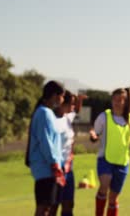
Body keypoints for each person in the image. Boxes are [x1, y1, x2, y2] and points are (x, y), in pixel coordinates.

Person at [89, 88, 130, 216]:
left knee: (113, 198)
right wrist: (93, 135)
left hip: (122, 162)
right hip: (105, 159)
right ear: (112, 100)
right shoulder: (104, 116)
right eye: (115, 99)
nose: (117, 102)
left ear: (126, 101)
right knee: (104, 185)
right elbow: (94, 132)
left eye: (121, 99)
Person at [25, 80, 66, 216]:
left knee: (48, 207)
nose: (62, 100)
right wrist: (55, 164)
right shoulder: (43, 113)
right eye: (62, 96)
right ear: (55, 95)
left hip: (48, 168)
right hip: (46, 168)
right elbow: (46, 142)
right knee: (44, 208)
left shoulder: (47, 112)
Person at [52, 91, 86, 216]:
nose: (73, 107)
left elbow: (76, 111)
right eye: (71, 103)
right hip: (56, 168)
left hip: (68, 168)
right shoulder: (52, 120)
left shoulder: (67, 117)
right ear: (62, 103)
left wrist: (79, 100)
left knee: (68, 204)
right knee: (53, 205)